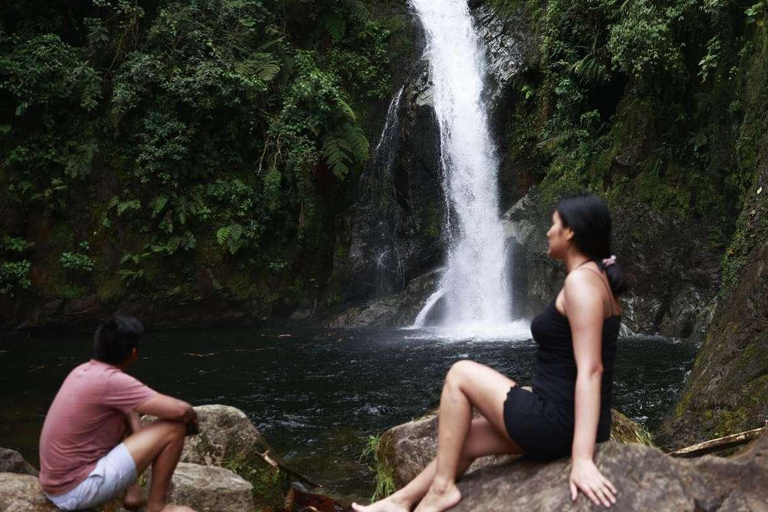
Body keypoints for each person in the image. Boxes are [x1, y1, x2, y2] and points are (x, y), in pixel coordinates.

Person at [352, 192, 627, 512]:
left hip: (556, 422)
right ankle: (400, 503)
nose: (548, 232)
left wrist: (581, 459)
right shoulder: (596, 279)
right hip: (565, 420)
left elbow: (591, 369)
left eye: (553, 224)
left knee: (460, 373)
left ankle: (441, 490)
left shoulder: (582, 283)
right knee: (462, 441)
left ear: (571, 232)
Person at [39, 314, 200, 512]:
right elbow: (180, 410)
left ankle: (134, 492)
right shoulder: (111, 381)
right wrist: (192, 419)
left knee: (126, 409)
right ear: (133, 353)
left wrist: (139, 434)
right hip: (76, 490)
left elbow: (131, 407)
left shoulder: (83, 371)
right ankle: (157, 506)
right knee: (174, 427)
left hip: (56, 485)